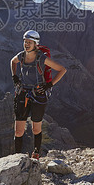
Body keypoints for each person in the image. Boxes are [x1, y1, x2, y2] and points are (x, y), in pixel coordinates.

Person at [10, 30, 67, 159]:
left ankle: (36, 153)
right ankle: (17, 158)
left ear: (36, 44)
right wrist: (14, 76)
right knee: (18, 131)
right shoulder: (21, 56)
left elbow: (62, 70)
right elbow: (13, 62)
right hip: (23, 94)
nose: (26, 44)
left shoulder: (42, 58)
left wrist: (49, 85)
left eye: (29, 42)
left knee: (36, 129)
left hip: (38, 95)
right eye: (25, 42)